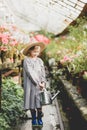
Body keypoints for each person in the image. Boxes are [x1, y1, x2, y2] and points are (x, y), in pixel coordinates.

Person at [23, 41, 46, 127]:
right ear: (29, 51)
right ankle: (33, 119)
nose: (36, 53)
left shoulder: (40, 61)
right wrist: (38, 82)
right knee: (32, 103)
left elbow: (43, 72)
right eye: (34, 52)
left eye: (38, 52)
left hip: (40, 86)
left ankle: (39, 118)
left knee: (39, 103)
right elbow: (30, 72)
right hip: (31, 85)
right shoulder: (26, 60)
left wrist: (43, 82)